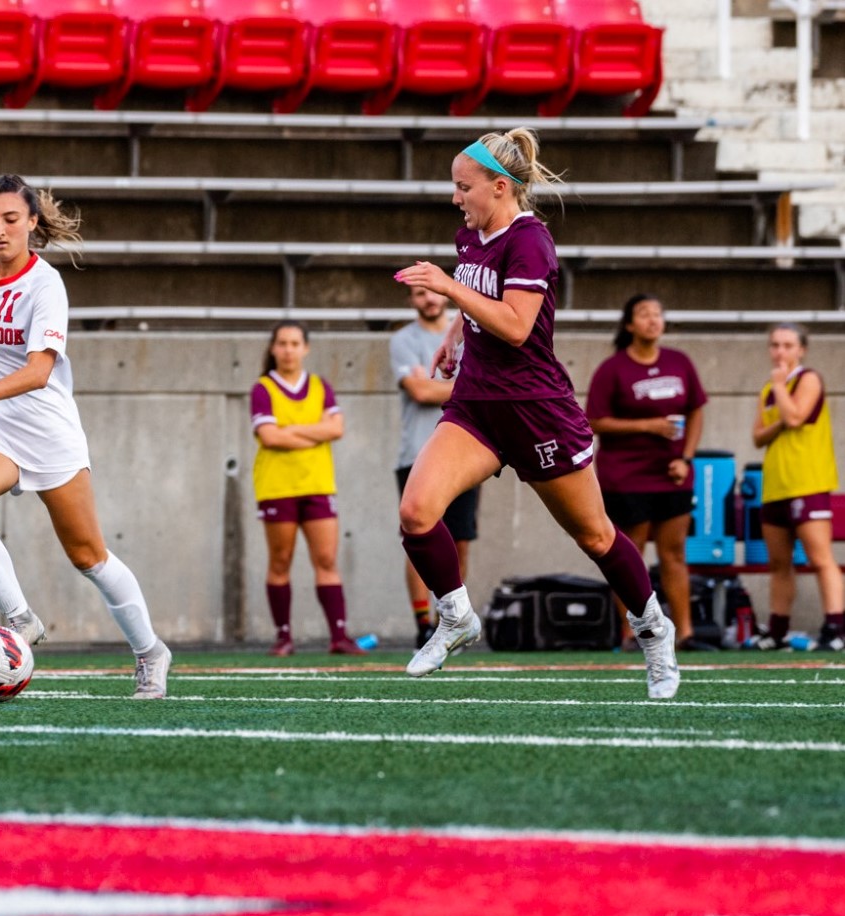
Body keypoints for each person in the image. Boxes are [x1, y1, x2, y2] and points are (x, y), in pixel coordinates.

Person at [392, 128, 680, 699]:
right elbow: (481, 297)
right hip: (476, 405)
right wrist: (455, 334)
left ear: (500, 188)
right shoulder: (470, 234)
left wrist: (449, 291)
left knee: (596, 537)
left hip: (535, 411)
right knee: (416, 513)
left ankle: (654, 631)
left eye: (463, 187)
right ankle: (455, 618)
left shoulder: (530, 242)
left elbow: (518, 327)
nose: (456, 198)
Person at [0, 174, 173, 698]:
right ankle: (21, 620)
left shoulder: (46, 286)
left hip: (44, 428)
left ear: (32, 222)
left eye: (11, 219)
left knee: (88, 555)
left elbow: (40, 371)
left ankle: (151, 651)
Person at [585, 294, 711, 652]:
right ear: (629, 325)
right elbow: (595, 421)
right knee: (631, 554)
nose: (653, 320)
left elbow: (696, 410)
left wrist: (686, 457)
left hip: (671, 474)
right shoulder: (613, 369)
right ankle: (634, 635)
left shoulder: (679, 362)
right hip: (626, 477)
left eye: (658, 314)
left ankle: (685, 634)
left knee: (674, 554)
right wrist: (649, 426)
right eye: (644, 314)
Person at [250, 321, 364, 656]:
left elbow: (338, 429)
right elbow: (269, 437)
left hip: (317, 484)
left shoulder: (320, 386)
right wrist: (316, 430)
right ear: (273, 348)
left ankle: (338, 637)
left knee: (327, 558)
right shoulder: (263, 388)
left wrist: (291, 431)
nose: (288, 349)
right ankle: (283, 636)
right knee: (281, 560)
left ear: (306, 348)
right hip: (278, 486)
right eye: (282, 343)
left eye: (295, 343)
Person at [390, 286, 481, 648]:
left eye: (432, 292)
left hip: (466, 452)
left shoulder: (469, 335)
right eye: (418, 294)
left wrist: (450, 385)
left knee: (459, 542)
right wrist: (473, 386)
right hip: (417, 452)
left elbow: (433, 387)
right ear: (411, 300)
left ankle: (451, 618)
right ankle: (423, 623)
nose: (427, 299)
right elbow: (421, 391)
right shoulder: (403, 339)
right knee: (419, 538)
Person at [750, 322, 842, 652]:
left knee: (820, 559)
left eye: (788, 345)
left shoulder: (809, 379)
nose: (780, 352)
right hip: (776, 485)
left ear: (801, 349)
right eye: (775, 344)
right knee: (779, 563)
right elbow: (757, 437)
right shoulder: (768, 388)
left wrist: (780, 388)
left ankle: (835, 628)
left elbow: (794, 418)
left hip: (807, 482)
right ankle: (777, 631)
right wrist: (775, 394)